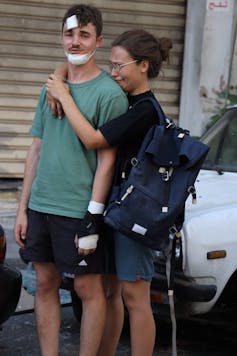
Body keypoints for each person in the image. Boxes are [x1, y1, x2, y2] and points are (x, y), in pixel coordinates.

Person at [46, 29, 173, 356]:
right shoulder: (127, 100)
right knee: (111, 294)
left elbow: (93, 139)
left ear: (143, 65)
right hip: (117, 210)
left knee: (136, 299)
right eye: (111, 65)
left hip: (136, 214)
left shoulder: (144, 110)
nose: (113, 73)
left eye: (120, 66)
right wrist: (61, 75)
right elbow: (70, 71)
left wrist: (63, 94)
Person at [14, 4, 128, 356]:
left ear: (98, 40)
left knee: (87, 290)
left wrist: (92, 217)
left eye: (83, 34)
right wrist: (23, 208)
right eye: (69, 33)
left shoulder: (110, 94)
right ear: (60, 36)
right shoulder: (50, 86)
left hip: (77, 208)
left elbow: (107, 159)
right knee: (45, 283)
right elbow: (36, 148)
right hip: (41, 204)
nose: (75, 42)